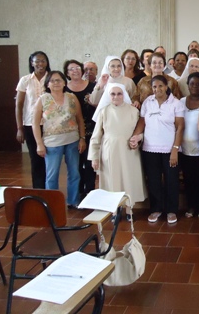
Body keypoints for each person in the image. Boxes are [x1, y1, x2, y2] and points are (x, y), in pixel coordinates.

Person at [130, 75, 185, 224]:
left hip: (169, 149)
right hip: (150, 149)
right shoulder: (148, 102)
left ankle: (171, 210)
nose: (157, 89)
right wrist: (134, 136)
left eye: (160, 86)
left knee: (171, 181)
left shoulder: (176, 103)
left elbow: (180, 127)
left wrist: (175, 149)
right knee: (153, 180)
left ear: (166, 86)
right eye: (154, 87)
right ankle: (156, 209)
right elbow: (142, 122)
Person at [88, 83, 147, 221]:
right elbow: (96, 136)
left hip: (129, 151)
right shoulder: (104, 111)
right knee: (112, 180)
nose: (116, 96)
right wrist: (94, 157)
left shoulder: (134, 111)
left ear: (124, 95)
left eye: (119, 93)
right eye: (113, 94)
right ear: (108, 96)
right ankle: (114, 211)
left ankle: (129, 210)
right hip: (110, 152)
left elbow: (141, 132)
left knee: (129, 179)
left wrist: (138, 138)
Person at [32, 71, 86, 207]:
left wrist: (82, 138)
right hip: (52, 143)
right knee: (52, 175)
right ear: (48, 84)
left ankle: (73, 201)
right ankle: (52, 204)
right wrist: (39, 144)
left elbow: (80, 119)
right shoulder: (43, 99)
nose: (56, 83)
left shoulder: (72, 98)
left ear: (64, 82)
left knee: (74, 173)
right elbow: (35, 123)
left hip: (72, 141)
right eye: (52, 81)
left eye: (59, 80)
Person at [15, 51, 50, 189]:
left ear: (47, 62)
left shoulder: (51, 78)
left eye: (43, 61)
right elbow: (19, 105)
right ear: (32, 63)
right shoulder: (25, 80)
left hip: (50, 125)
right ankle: (39, 190)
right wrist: (19, 128)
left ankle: (50, 189)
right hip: (30, 125)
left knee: (50, 160)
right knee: (36, 160)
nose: (40, 64)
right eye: (37, 61)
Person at [64, 59, 96, 198]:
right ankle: (77, 193)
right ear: (67, 73)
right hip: (71, 131)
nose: (75, 70)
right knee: (75, 165)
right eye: (71, 69)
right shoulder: (64, 89)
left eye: (77, 67)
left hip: (91, 129)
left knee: (89, 163)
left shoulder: (93, 86)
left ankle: (90, 192)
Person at [179, 72, 199, 219]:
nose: (195, 87)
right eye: (192, 84)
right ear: (188, 85)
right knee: (189, 180)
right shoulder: (181, 101)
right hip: (185, 150)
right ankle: (191, 206)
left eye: (198, 84)